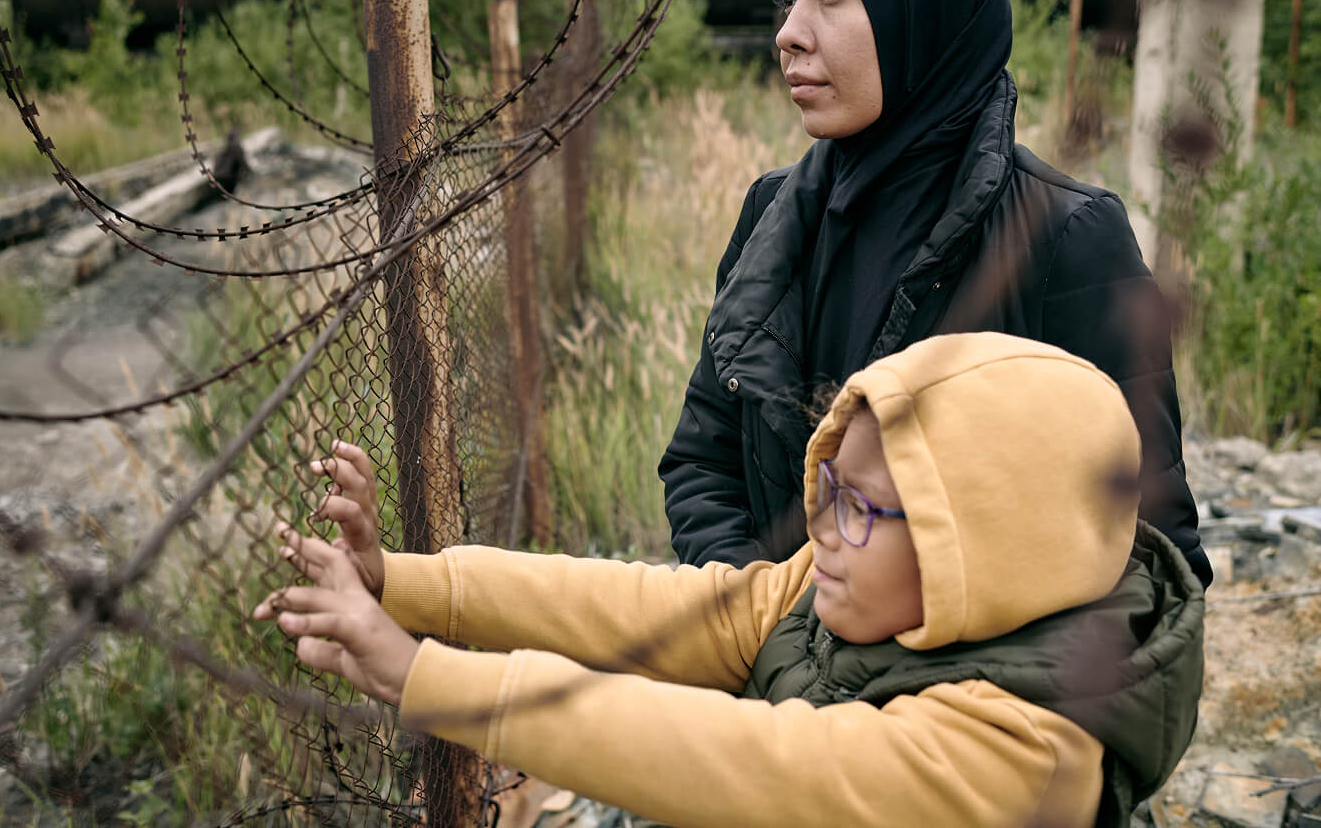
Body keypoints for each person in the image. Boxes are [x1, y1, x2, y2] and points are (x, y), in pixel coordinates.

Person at [253, 332, 1204, 828]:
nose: (823, 527)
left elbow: (754, 762)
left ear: (984, 543)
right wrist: (410, 585)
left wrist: (422, 676)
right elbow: (672, 610)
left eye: (863, 507)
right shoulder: (873, 591)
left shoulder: (1026, 753)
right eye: (827, 486)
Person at [659, 0, 1212, 585]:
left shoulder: (1066, 237)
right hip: (772, 683)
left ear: (926, 10)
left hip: (960, 694)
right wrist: (766, 625)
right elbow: (703, 461)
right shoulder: (773, 216)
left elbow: (1152, 552)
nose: (788, 34)